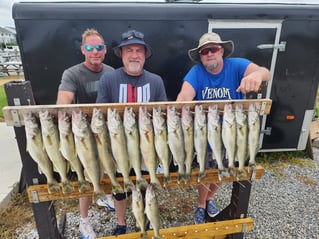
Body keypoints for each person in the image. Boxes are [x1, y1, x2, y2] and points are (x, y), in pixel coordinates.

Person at [176, 32, 271, 224]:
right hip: (207, 135)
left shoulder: (237, 65)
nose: (209, 54)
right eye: (204, 51)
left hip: (235, 133)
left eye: (213, 49)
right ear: (200, 56)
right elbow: (185, 95)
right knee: (207, 169)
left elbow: (265, 72)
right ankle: (202, 204)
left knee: (225, 168)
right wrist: (182, 104)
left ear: (221, 51)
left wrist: (256, 75)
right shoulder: (196, 72)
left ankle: (211, 198)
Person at [96, 29, 167, 235]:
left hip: (146, 144)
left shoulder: (156, 81)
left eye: (139, 51)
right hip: (119, 144)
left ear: (145, 56)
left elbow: (162, 113)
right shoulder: (108, 80)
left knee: (146, 184)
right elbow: (101, 112)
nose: (134, 55)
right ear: (121, 54)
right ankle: (121, 222)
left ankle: (143, 219)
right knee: (120, 188)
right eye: (129, 50)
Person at [56, 28, 114, 239]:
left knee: (108, 167)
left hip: (106, 131)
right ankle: (83, 221)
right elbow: (62, 103)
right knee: (87, 177)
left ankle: (105, 195)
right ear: (83, 50)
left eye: (99, 47)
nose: (95, 51)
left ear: (105, 50)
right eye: (90, 47)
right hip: (83, 136)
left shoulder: (111, 72)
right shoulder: (71, 74)